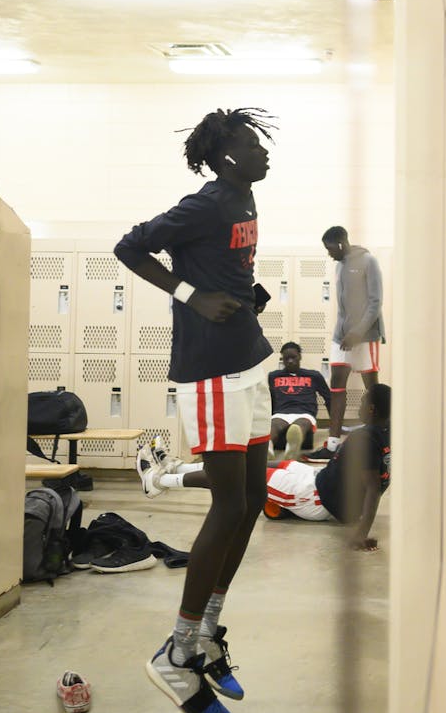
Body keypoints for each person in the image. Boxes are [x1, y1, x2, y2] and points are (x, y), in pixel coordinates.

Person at [114, 107, 278, 713]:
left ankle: (207, 631)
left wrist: (245, 291)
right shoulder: (205, 203)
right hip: (210, 371)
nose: (264, 152)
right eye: (251, 143)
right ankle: (179, 648)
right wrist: (189, 294)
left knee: (255, 497)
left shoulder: (243, 201)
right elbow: (130, 246)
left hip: (250, 360)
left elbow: (227, 263)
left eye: (261, 141)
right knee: (229, 506)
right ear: (225, 156)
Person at [143, 385, 393, 553]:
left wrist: (361, 532)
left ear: (371, 409)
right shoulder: (386, 433)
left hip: (314, 498)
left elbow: (373, 489)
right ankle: (177, 467)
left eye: (362, 402)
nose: (358, 406)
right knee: (257, 463)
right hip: (317, 479)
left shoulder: (366, 438)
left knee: (236, 477)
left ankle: (159, 482)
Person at [310, 225, 383, 459]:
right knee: (337, 383)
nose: (329, 254)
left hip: (365, 336)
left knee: (372, 389)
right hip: (341, 336)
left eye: (330, 249)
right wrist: (342, 333)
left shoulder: (369, 261)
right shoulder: (339, 265)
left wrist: (358, 332)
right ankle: (332, 444)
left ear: (341, 244)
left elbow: (375, 302)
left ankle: (380, 437)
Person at [268, 341, 333, 459]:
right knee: (274, 425)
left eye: (293, 357)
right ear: (282, 359)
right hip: (281, 413)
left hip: (305, 413)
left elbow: (328, 397)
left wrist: (334, 423)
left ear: (300, 357)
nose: (290, 361)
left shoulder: (313, 375)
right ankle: (268, 448)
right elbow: (268, 399)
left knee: (300, 425)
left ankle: (291, 448)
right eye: (286, 358)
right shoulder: (273, 376)